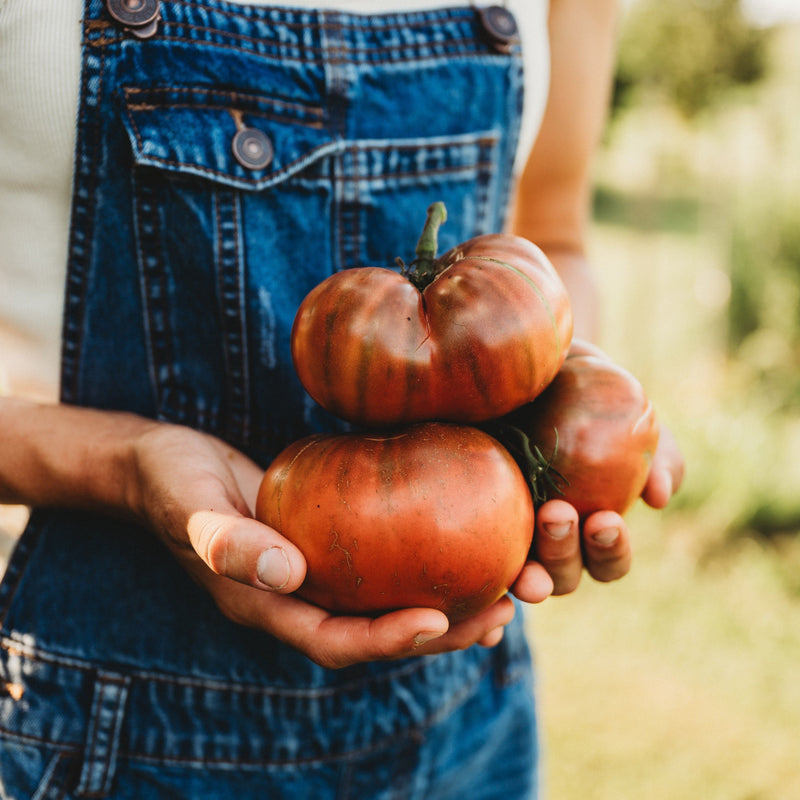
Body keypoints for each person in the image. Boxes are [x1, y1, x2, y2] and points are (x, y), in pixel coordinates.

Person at [0, 0, 683, 798]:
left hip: (465, 727)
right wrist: (125, 467)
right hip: (99, 727)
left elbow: (556, 239)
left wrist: (566, 410)